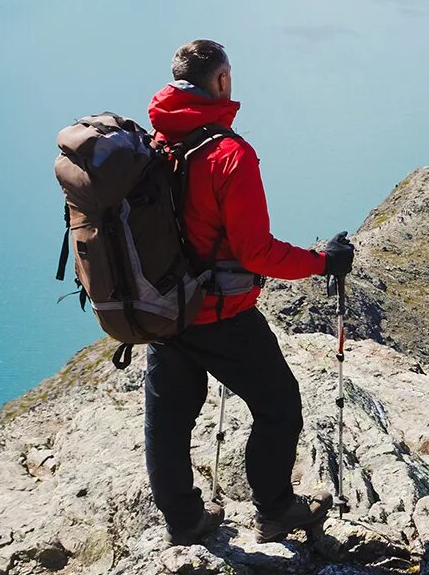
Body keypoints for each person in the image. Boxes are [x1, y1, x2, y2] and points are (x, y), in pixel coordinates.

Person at [143, 38, 355, 545]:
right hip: (220, 314)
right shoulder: (228, 155)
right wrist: (323, 262)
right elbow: (256, 252)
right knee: (280, 405)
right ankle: (276, 509)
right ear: (220, 81)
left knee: (167, 422)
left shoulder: (154, 143)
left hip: (161, 309)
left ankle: (184, 522)